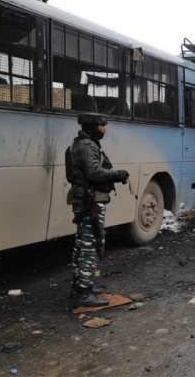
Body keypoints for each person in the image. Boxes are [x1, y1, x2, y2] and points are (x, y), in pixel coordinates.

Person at [66, 113, 129, 307]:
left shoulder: (81, 144)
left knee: (82, 245)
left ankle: (81, 286)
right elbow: (94, 172)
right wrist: (118, 174)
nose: (104, 130)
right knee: (90, 246)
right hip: (90, 201)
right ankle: (83, 293)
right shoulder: (86, 146)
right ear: (92, 126)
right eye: (101, 126)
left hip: (86, 199)